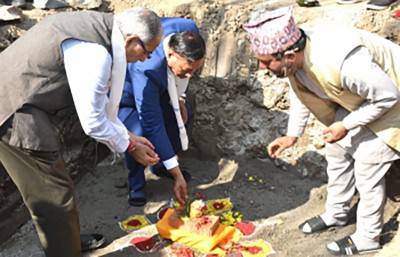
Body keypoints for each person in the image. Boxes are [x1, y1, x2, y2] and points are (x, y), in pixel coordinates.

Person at [0, 7, 162, 257]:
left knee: (56, 190)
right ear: (130, 40)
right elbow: (93, 122)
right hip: (13, 109)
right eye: (147, 52)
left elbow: (102, 107)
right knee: (54, 196)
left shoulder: (99, 28)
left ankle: (65, 241)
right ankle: (65, 250)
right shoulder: (95, 53)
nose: (145, 60)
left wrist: (127, 135)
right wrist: (129, 146)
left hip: (22, 98)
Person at [243, 5, 400, 256]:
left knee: (368, 165)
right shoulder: (297, 57)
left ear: (289, 56)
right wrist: (292, 135)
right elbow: (302, 92)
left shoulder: (343, 61)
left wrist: (346, 124)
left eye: (265, 62)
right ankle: (336, 214)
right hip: (363, 100)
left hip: (394, 101)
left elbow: (388, 96)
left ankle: (368, 238)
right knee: (336, 148)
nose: (262, 68)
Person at [118, 17, 206, 207]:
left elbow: (182, 80)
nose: (190, 76)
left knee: (183, 117)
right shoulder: (147, 69)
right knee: (139, 135)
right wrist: (177, 175)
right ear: (171, 54)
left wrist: (180, 98)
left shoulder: (188, 31)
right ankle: (136, 183)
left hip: (162, 88)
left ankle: (161, 164)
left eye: (194, 71)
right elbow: (152, 124)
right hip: (128, 97)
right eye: (186, 71)